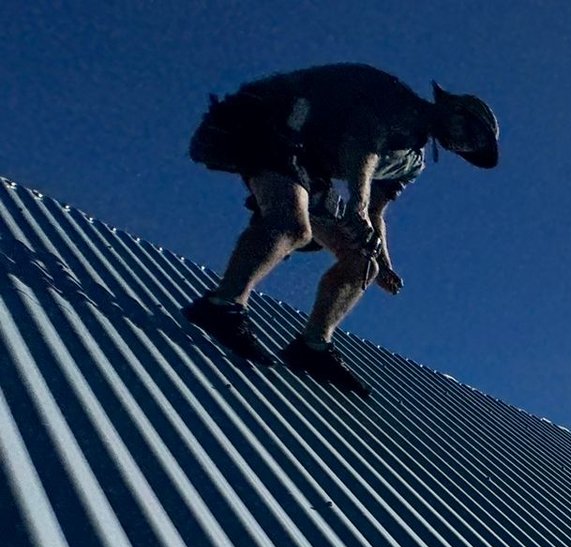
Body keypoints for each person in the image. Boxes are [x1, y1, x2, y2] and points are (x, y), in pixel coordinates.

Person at [183, 64, 499, 397]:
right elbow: (361, 144)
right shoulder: (397, 101)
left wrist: (384, 263)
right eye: (471, 132)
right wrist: (357, 207)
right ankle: (223, 305)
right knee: (292, 225)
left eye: (472, 147)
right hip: (267, 123)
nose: (465, 143)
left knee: (363, 263)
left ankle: (313, 345)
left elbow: (376, 209)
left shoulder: (412, 161)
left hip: (306, 165)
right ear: (453, 108)